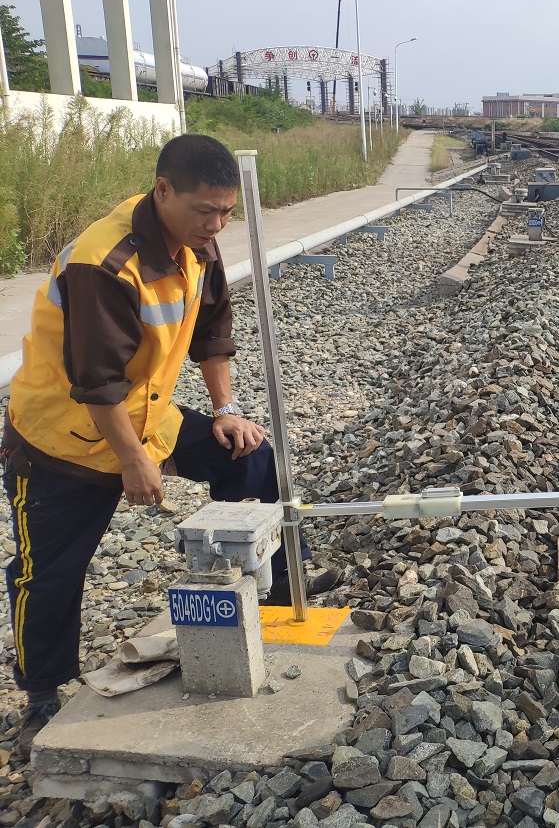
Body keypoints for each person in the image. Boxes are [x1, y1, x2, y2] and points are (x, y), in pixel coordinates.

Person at [1, 135, 334, 757]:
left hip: (144, 413)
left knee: (251, 456)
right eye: (203, 210)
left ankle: (270, 600)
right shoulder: (105, 263)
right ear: (163, 191)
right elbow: (96, 384)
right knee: (49, 575)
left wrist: (226, 411)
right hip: (62, 441)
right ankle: (43, 694)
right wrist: (133, 461)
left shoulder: (195, 243)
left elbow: (212, 332)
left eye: (225, 212)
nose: (215, 225)